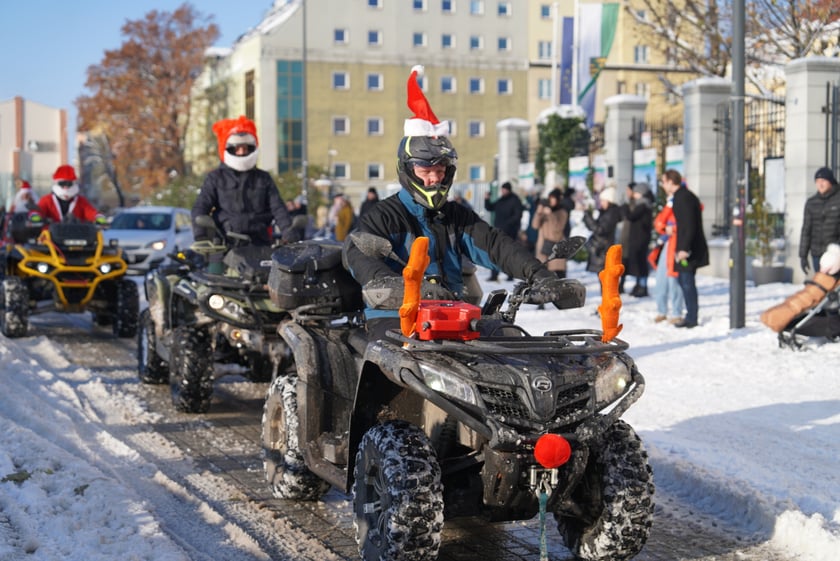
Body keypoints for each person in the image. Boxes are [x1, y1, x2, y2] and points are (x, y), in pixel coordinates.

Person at [343, 65, 579, 330]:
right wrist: (393, 285)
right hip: (395, 319)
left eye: (440, 170)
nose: (434, 178)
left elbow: (496, 246)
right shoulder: (384, 216)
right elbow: (357, 254)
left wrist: (540, 275)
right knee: (399, 365)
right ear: (408, 170)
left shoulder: (456, 216)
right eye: (425, 171)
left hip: (453, 316)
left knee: (512, 346)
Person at [192, 115, 292, 247]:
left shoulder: (263, 178)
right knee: (213, 268)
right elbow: (200, 207)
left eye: (246, 148)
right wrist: (202, 236)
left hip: (259, 243)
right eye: (237, 148)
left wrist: (289, 233)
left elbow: (278, 209)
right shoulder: (216, 178)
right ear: (228, 148)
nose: (241, 152)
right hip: (224, 245)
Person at [661, 169, 708, 328]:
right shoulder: (682, 196)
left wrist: (683, 249)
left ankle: (692, 317)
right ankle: (690, 315)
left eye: (663, 181)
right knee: (683, 280)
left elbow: (688, 225)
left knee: (686, 282)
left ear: (670, 181)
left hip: (688, 250)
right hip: (687, 247)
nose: (662, 185)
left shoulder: (683, 197)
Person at [651, 193, 685, 323]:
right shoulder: (670, 206)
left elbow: (688, 223)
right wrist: (669, 206)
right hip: (668, 243)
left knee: (674, 280)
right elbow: (659, 223)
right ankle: (662, 311)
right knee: (661, 279)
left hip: (678, 244)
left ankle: (676, 313)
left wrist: (673, 228)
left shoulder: (684, 202)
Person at [799, 166, 840, 275]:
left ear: (830, 181)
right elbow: (806, 230)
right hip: (817, 253)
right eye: (817, 181)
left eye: (823, 181)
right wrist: (803, 256)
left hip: (835, 254)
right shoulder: (811, 203)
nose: (820, 184)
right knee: (822, 288)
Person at [484, 180, 524, 281]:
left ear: (509, 190)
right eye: (502, 189)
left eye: (504, 189)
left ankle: (510, 275)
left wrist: (507, 224)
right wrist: (486, 199)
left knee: (509, 254)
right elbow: (490, 208)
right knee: (495, 254)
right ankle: (494, 274)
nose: (503, 191)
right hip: (498, 231)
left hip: (510, 232)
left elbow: (517, 216)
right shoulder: (501, 200)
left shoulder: (515, 200)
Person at [37, 165, 105, 224]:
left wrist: (98, 217)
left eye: (69, 184)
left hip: (76, 235)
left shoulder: (80, 201)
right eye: (62, 184)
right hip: (51, 235)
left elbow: (90, 212)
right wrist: (36, 215)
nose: (66, 187)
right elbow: (39, 211)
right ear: (57, 183)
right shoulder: (47, 200)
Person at [620, 182, 654, 297]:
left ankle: (642, 286)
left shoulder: (642, 205)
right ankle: (639, 284)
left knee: (641, 263)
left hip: (640, 238)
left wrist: (624, 206)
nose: (634, 195)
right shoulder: (644, 204)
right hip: (640, 237)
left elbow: (630, 216)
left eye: (636, 193)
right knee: (639, 262)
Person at [582, 184, 622, 275]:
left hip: (604, 250)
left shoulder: (611, 213)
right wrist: (587, 216)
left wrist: (588, 217)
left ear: (609, 200)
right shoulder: (605, 212)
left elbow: (600, 230)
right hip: (601, 250)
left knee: (606, 280)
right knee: (603, 279)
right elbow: (594, 227)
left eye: (603, 200)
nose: (601, 203)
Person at [531, 188, 568, 279]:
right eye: (550, 198)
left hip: (555, 248)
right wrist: (539, 212)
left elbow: (558, 228)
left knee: (557, 277)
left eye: (553, 199)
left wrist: (550, 214)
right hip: (543, 248)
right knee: (543, 277)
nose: (551, 201)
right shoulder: (545, 211)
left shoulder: (562, 212)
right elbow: (535, 225)